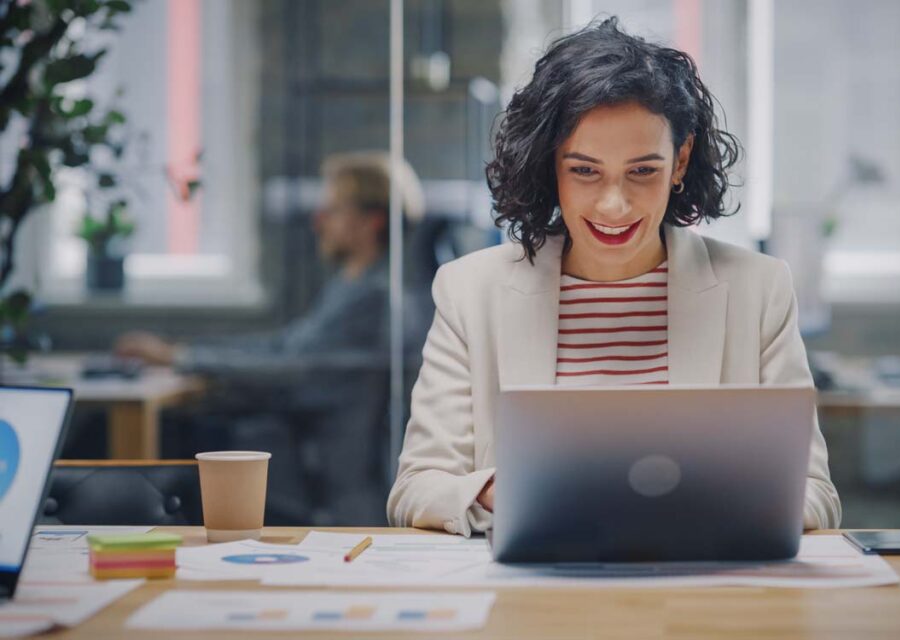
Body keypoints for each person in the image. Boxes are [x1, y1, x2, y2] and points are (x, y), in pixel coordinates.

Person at [387, 18, 842, 536]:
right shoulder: (470, 291)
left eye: (643, 171)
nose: (614, 204)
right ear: (549, 165)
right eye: (584, 171)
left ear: (680, 160)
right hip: (533, 601)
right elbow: (416, 488)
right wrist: (499, 492)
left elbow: (816, 495)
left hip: (701, 593)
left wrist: (705, 503)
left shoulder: (759, 290)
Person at [114, 152, 425, 370]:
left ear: (373, 221)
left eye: (333, 210)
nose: (318, 222)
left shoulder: (373, 299)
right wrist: (180, 351)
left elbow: (290, 368)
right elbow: (284, 346)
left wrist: (181, 359)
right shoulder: (348, 286)